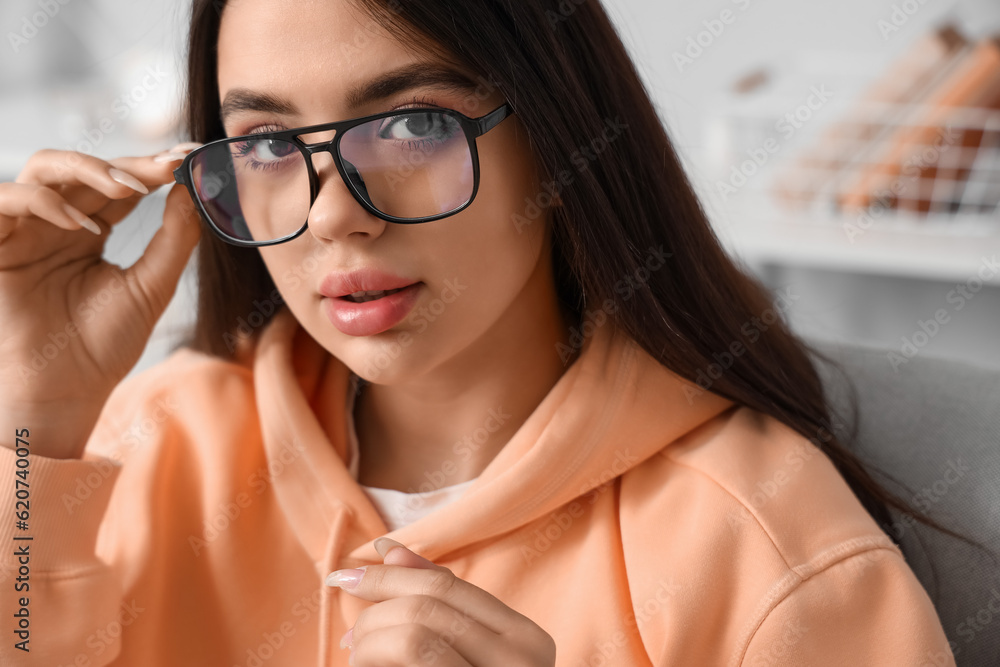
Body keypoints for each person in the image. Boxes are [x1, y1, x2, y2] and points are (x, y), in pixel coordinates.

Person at [0, 0, 970, 665]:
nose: (337, 214)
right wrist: (35, 426)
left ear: (558, 134)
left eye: (414, 124)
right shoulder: (159, 437)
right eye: (265, 143)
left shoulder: (765, 543)